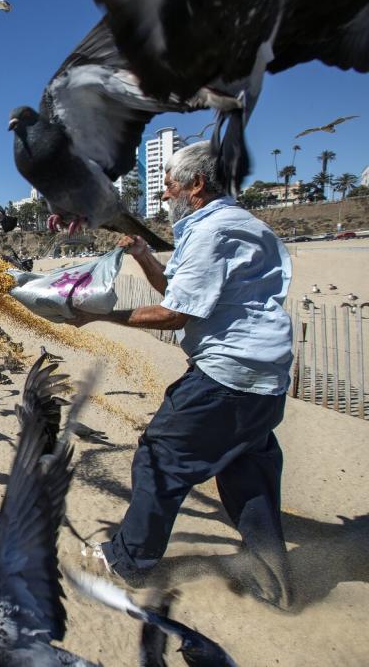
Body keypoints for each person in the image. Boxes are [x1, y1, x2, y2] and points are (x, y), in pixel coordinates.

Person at [70, 141, 294, 608]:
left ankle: (128, 561)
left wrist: (99, 315)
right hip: (265, 382)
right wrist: (142, 254)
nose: (165, 193)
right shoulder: (240, 225)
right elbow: (182, 289)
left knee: (160, 455)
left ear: (195, 185)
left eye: (169, 183)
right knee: (244, 467)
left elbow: (176, 313)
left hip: (226, 378)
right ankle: (271, 573)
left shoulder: (212, 232)